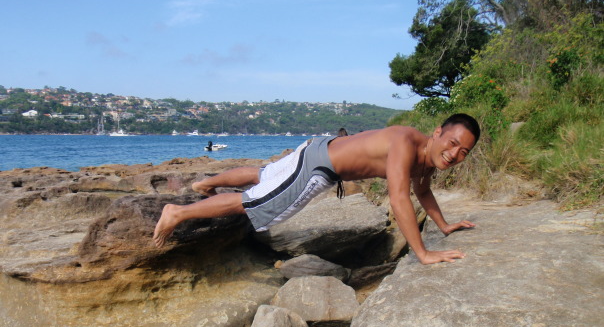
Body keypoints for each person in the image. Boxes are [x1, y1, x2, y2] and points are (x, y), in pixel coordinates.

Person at [154, 113, 480, 264]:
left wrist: (445, 226)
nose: (454, 155)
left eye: (463, 152)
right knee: (253, 203)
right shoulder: (405, 144)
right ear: (437, 132)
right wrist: (422, 253)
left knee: (264, 175)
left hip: (320, 146)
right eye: (452, 144)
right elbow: (399, 197)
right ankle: (177, 212)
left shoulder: (425, 158)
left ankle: (204, 182)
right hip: (319, 167)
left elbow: (422, 193)